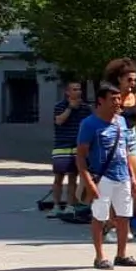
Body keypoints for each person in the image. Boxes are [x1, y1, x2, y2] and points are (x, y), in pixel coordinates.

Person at [76, 83, 136, 270]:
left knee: (124, 216)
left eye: (118, 99)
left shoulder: (121, 122)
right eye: (112, 99)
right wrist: (88, 182)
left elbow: (125, 150)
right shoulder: (89, 124)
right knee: (100, 217)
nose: (117, 102)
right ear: (101, 101)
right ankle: (100, 257)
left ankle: (121, 255)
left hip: (123, 177)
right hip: (102, 177)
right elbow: (81, 155)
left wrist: (133, 176)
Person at [104, 59, 136, 229]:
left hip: (131, 139)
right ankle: (112, 222)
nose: (133, 83)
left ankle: (122, 218)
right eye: (129, 80)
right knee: (119, 183)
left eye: (135, 80)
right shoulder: (112, 97)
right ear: (119, 79)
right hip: (115, 141)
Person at [43, 81, 87, 216]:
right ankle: (56, 206)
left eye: (79, 89)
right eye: (74, 89)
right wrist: (70, 108)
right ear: (67, 92)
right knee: (58, 177)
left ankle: (70, 205)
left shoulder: (85, 108)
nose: (78, 92)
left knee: (73, 177)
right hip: (61, 146)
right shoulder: (60, 106)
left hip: (77, 146)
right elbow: (59, 121)